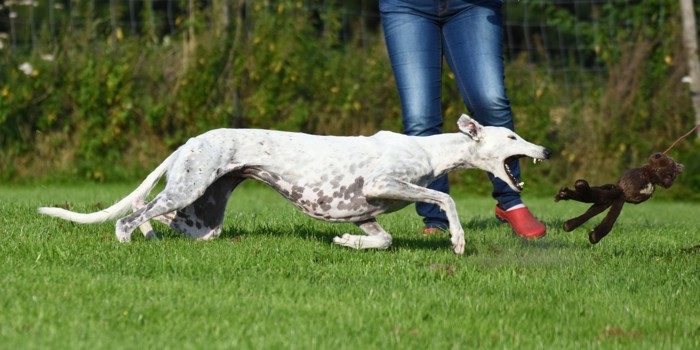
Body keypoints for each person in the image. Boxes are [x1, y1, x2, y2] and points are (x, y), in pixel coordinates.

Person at [379, 0, 546, 238]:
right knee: (420, 118)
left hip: (474, 6)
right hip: (407, 6)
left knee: (490, 101)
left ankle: (510, 201)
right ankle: (436, 217)